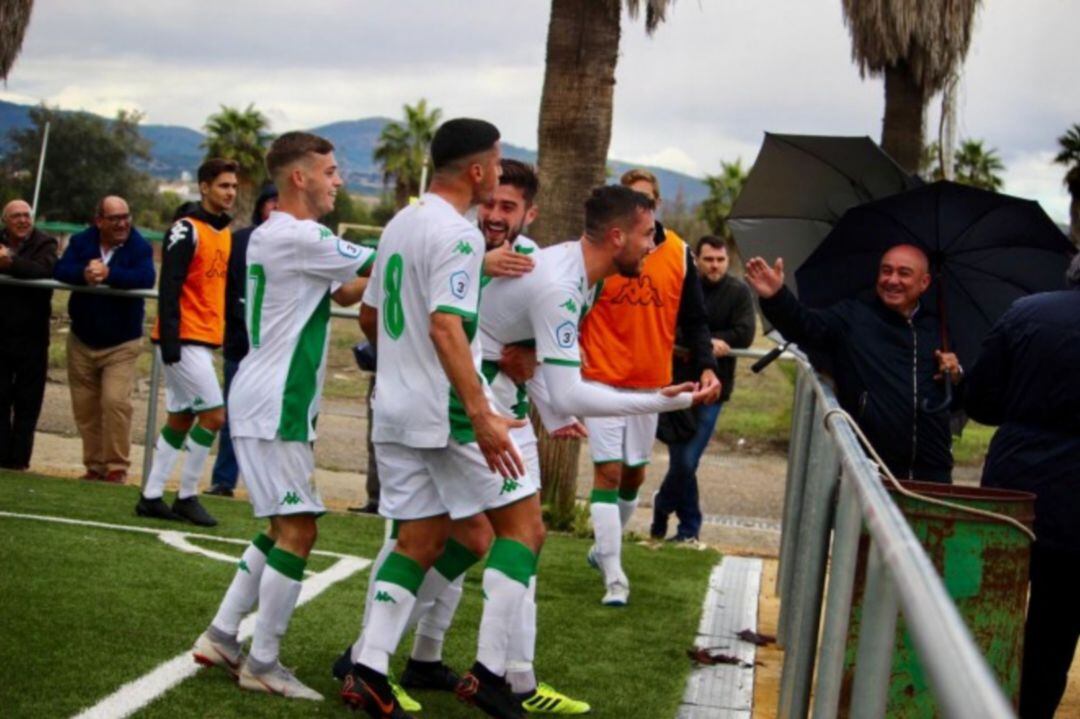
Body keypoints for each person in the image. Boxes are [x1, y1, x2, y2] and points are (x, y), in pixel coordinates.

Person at [342, 118, 538, 719]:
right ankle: (490, 675)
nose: (501, 174)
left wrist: (403, 370)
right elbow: (446, 325)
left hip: (393, 409)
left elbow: (369, 317)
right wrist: (481, 412)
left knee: (426, 538)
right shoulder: (459, 235)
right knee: (524, 531)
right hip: (446, 413)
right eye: (498, 163)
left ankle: (368, 669)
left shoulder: (401, 221)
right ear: (477, 170)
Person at [191, 132, 374, 700]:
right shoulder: (301, 235)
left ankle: (223, 635)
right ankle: (263, 662)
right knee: (299, 529)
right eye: (331, 170)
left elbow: (346, 291)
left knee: (280, 528)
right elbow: (400, 260)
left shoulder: (283, 236)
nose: (338, 180)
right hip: (277, 404)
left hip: (268, 399)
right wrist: (475, 261)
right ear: (300, 177)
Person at [578, 168, 720, 606]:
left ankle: (605, 547)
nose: (640, 206)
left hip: (650, 383)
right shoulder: (600, 248)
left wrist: (708, 365)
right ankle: (615, 576)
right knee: (607, 471)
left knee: (634, 473)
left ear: (656, 206)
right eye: (631, 199)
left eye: (647, 200)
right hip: (599, 376)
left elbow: (695, 320)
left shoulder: (678, 253)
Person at [964, 254, 1080, 719]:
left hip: (1013, 490)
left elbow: (979, 398)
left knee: (989, 603)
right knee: (1054, 628)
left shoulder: (1026, 312)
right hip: (1076, 511)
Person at [744, 245, 962, 483]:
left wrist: (956, 374)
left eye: (904, 273)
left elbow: (958, 397)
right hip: (871, 468)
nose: (892, 280)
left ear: (925, 282)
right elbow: (805, 326)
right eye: (886, 271)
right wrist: (776, 296)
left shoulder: (937, 328)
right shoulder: (853, 316)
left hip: (933, 470)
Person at [137, 158, 238, 526]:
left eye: (233, 186)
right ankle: (187, 495)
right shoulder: (185, 229)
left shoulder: (223, 232)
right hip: (183, 339)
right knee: (214, 415)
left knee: (180, 418)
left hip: (204, 338)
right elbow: (169, 286)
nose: (230, 192)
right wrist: (170, 339)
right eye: (223, 185)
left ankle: (151, 495)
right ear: (204, 187)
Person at [652, 236, 755, 543]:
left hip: (714, 389)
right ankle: (689, 529)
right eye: (708, 259)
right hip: (678, 384)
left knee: (687, 461)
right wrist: (707, 342)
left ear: (728, 260)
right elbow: (673, 325)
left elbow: (745, 333)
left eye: (720, 260)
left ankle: (663, 506)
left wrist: (709, 339)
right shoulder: (683, 285)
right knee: (682, 461)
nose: (715, 265)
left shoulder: (738, 292)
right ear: (696, 259)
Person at [54, 196, 156, 484]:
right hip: (82, 338)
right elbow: (60, 270)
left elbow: (146, 277)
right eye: (115, 218)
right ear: (99, 220)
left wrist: (110, 274)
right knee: (85, 407)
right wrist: (83, 274)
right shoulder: (82, 242)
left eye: (126, 216)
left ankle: (116, 467)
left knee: (114, 403)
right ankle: (94, 466)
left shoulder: (140, 246)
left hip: (121, 343)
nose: (123, 223)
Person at [206, 184, 279, 498]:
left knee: (274, 420)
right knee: (232, 415)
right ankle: (224, 479)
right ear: (261, 206)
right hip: (240, 343)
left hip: (277, 349)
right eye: (270, 202)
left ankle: (268, 485)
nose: (275, 208)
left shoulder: (296, 244)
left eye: (281, 202)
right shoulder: (239, 241)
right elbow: (225, 288)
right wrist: (236, 319)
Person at [0, 199, 58, 470]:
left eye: (26, 215)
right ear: (5, 221)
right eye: (16, 216)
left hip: (32, 336)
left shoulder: (45, 243)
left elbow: (43, 270)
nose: (23, 220)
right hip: (1, 334)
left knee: (28, 403)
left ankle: (19, 461)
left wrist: (9, 262)